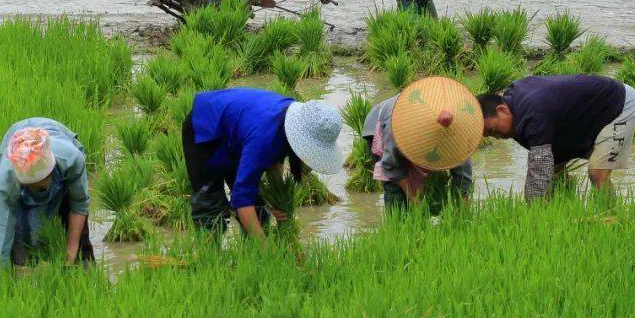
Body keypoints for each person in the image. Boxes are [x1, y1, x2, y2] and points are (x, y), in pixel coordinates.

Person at [183, 88, 343, 240]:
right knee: (210, 209)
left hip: (239, 135)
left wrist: (278, 199)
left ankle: (250, 257)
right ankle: (209, 260)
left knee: (260, 213)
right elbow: (242, 198)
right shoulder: (263, 138)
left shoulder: (288, 121)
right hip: (205, 129)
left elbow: (275, 161)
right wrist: (267, 249)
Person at [481, 74, 635, 199]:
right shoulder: (514, 103)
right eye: (489, 134)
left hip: (619, 105)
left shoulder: (533, 114)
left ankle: (611, 221)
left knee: (597, 174)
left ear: (502, 110)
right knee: (554, 175)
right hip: (582, 117)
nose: (496, 137)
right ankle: (565, 207)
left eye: (493, 130)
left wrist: (532, 216)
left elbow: (539, 172)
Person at [363, 77, 483, 209]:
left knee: (432, 184)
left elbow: (463, 174)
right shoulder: (398, 124)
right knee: (395, 191)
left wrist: (463, 211)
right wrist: (416, 202)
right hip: (378, 125)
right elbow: (391, 165)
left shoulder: (458, 129)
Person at [0, 118, 94, 268]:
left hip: (57, 140)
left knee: (77, 241)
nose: (34, 189)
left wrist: (71, 253)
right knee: (13, 232)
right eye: (28, 186)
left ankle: (85, 269)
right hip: (16, 139)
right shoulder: (7, 176)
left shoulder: (71, 159)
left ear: (50, 173)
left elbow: (79, 205)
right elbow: (1, 223)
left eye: (38, 185)